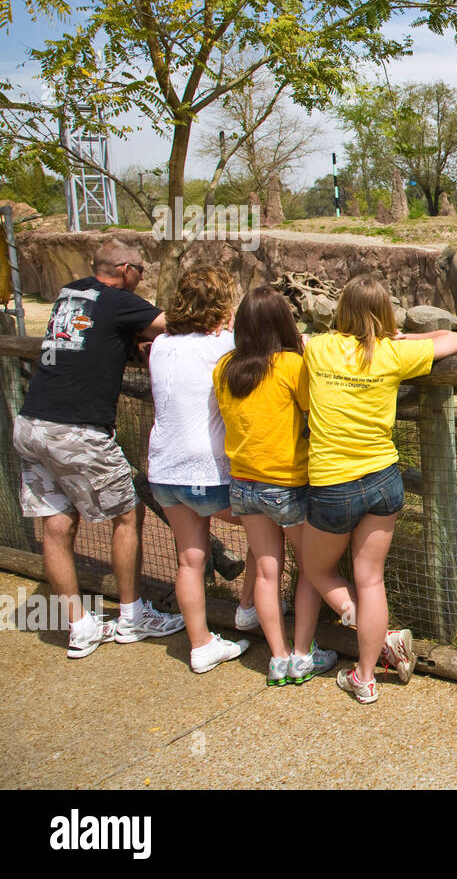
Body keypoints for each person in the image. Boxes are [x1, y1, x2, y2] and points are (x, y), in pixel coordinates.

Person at [300, 274, 457, 703]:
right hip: (382, 479)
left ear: (341, 311)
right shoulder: (395, 354)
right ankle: (366, 676)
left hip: (333, 483)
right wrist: (405, 335)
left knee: (317, 570)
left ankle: (365, 629)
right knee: (370, 579)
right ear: (384, 314)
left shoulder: (317, 348)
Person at [13, 241, 184, 658]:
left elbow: (95, 335)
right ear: (125, 270)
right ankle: (131, 614)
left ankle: (80, 627)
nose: (141, 279)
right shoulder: (120, 300)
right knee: (128, 513)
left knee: (55, 525)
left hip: (32, 423)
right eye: (141, 272)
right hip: (77, 429)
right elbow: (172, 324)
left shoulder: (69, 293)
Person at [214, 287, 337, 686]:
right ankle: (303, 654)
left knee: (267, 572)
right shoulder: (289, 365)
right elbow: (310, 406)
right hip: (287, 485)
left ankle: (277, 657)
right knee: (310, 569)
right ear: (283, 321)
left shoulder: (225, 367)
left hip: (244, 483)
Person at [147, 265, 250, 674]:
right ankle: (247, 608)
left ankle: (201, 644)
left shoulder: (159, 346)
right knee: (269, 526)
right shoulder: (224, 345)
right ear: (223, 305)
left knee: (190, 558)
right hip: (207, 473)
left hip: (164, 471)